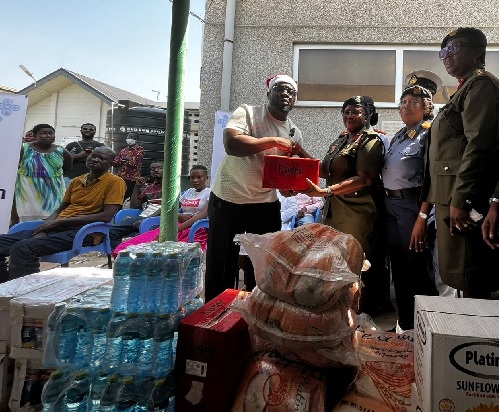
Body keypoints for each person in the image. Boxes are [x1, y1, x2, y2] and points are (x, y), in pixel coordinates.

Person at [204, 74, 303, 302]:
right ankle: (216, 311)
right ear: (268, 93)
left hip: (265, 203)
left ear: (295, 99)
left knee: (267, 260)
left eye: (291, 91)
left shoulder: (294, 132)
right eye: (279, 88)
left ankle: (259, 306)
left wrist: (286, 188)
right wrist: (273, 141)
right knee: (222, 261)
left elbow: (282, 171)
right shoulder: (247, 113)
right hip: (229, 198)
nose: (285, 94)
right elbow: (232, 144)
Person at [424, 27, 499, 298]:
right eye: (444, 51)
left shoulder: (481, 85)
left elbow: (479, 145)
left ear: (479, 51)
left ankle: (474, 339)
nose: (447, 56)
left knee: (471, 277)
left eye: (455, 48)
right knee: (459, 276)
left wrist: (461, 200)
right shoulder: (465, 87)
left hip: (465, 201)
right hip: (452, 197)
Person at [301, 96, 385, 313]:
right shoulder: (341, 141)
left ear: (367, 115)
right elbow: (324, 170)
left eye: (355, 112)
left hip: (355, 213)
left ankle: (355, 314)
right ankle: (336, 311)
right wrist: (298, 152)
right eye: (346, 111)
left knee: (354, 263)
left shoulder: (370, 141)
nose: (349, 115)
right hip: (333, 211)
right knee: (334, 261)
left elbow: (365, 178)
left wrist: (326, 190)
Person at [0, 147, 125, 282]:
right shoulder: (77, 181)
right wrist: (46, 226)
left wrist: (59, 222)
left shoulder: (115, 182)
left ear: (111, 164)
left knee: (24, 248)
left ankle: (23, 291)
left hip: (86, 231)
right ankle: (5, 286)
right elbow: (59, 210)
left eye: (102, 158)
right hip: (58, 227)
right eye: (93, 156)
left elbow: (106, 216)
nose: (95, 159)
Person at [382, 72, 440, 330]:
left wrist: (422, 216)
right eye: (403, 102)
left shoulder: (428, 135)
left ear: (427, 107)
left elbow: (431, 178)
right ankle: (405, 324)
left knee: (417, 266)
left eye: (414, 102)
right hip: (391, 206)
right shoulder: (399, 136)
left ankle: (427, 326)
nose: (406, 106)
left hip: (412, 206)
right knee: (399, 267)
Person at [112, 165, 211, 254]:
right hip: (178, 223)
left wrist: (176, 229)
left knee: (165, 248)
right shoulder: (189, 192)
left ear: (206, 178)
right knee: (144, 241)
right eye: (192, 178)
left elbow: (203, 214)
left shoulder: (209, 193)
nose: (195, 180)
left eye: (199, 177)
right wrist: (178, 215)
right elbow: (173, 208)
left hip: (195, 228)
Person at [238, 191, 299, 291]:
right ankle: (250, 286)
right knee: (248, 254)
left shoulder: (285, 194)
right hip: (255, 224)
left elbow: (293, 208)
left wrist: (281, 216)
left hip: (280, 226)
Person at [13, 123, 72, 224]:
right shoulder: (24, 149)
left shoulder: (62, 152)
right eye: (43, 133)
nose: (48, 135)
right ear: (35, 136)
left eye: (51, 133)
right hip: (27, 190)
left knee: (51, 220)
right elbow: (13, 167)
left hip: (54, 192)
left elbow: (67, 169)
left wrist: (50, 176)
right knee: (26, 220)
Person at [108, 160, 164, 246]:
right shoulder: (149, 188)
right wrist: (137, 187)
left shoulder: (170, 186)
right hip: (143, 217)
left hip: (159, 219)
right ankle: (118, 253)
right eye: (153, 169)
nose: (156, 170)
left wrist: (146, 219)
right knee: (112, 231)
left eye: (159, 168)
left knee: (114, 230)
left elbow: (166, 207)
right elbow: (134, 206)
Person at [112, 132, 145, 200]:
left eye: (133, 138)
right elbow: (116, 163)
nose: (130, 139)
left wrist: (122, 161)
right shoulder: (123, 150)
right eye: (129, 137)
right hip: (121, 177)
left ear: (136, 140)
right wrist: (123, 160)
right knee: (119, 196)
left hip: (132, 178)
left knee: (130, 197)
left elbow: (134, 163)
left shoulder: (140, 150)